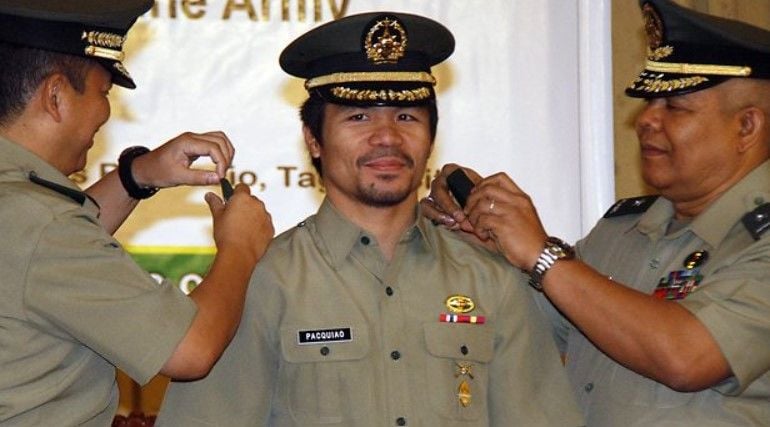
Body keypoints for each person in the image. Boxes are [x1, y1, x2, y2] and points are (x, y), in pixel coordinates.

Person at [158, 11, 583, 426]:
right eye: (358, 116)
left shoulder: (490, 279)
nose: (387, 137)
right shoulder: (263, 279)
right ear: (314, 139)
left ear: (431, 137)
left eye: (406, 116)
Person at [422, 0, 770, 425]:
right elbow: (545, 333)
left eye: (674, 107)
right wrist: (491, 245)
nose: (646, 121)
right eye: (648, 104)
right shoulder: (623, 228)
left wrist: (542, 255)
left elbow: (688, 356)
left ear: (746, 127)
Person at [0, 0, 274, 424]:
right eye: (102, 93)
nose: (106, 114)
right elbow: (191, 349)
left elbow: (36, 262)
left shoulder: (23, 210)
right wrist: (239, 245)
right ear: (55, 96)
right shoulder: (41, 222)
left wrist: (137, 176)